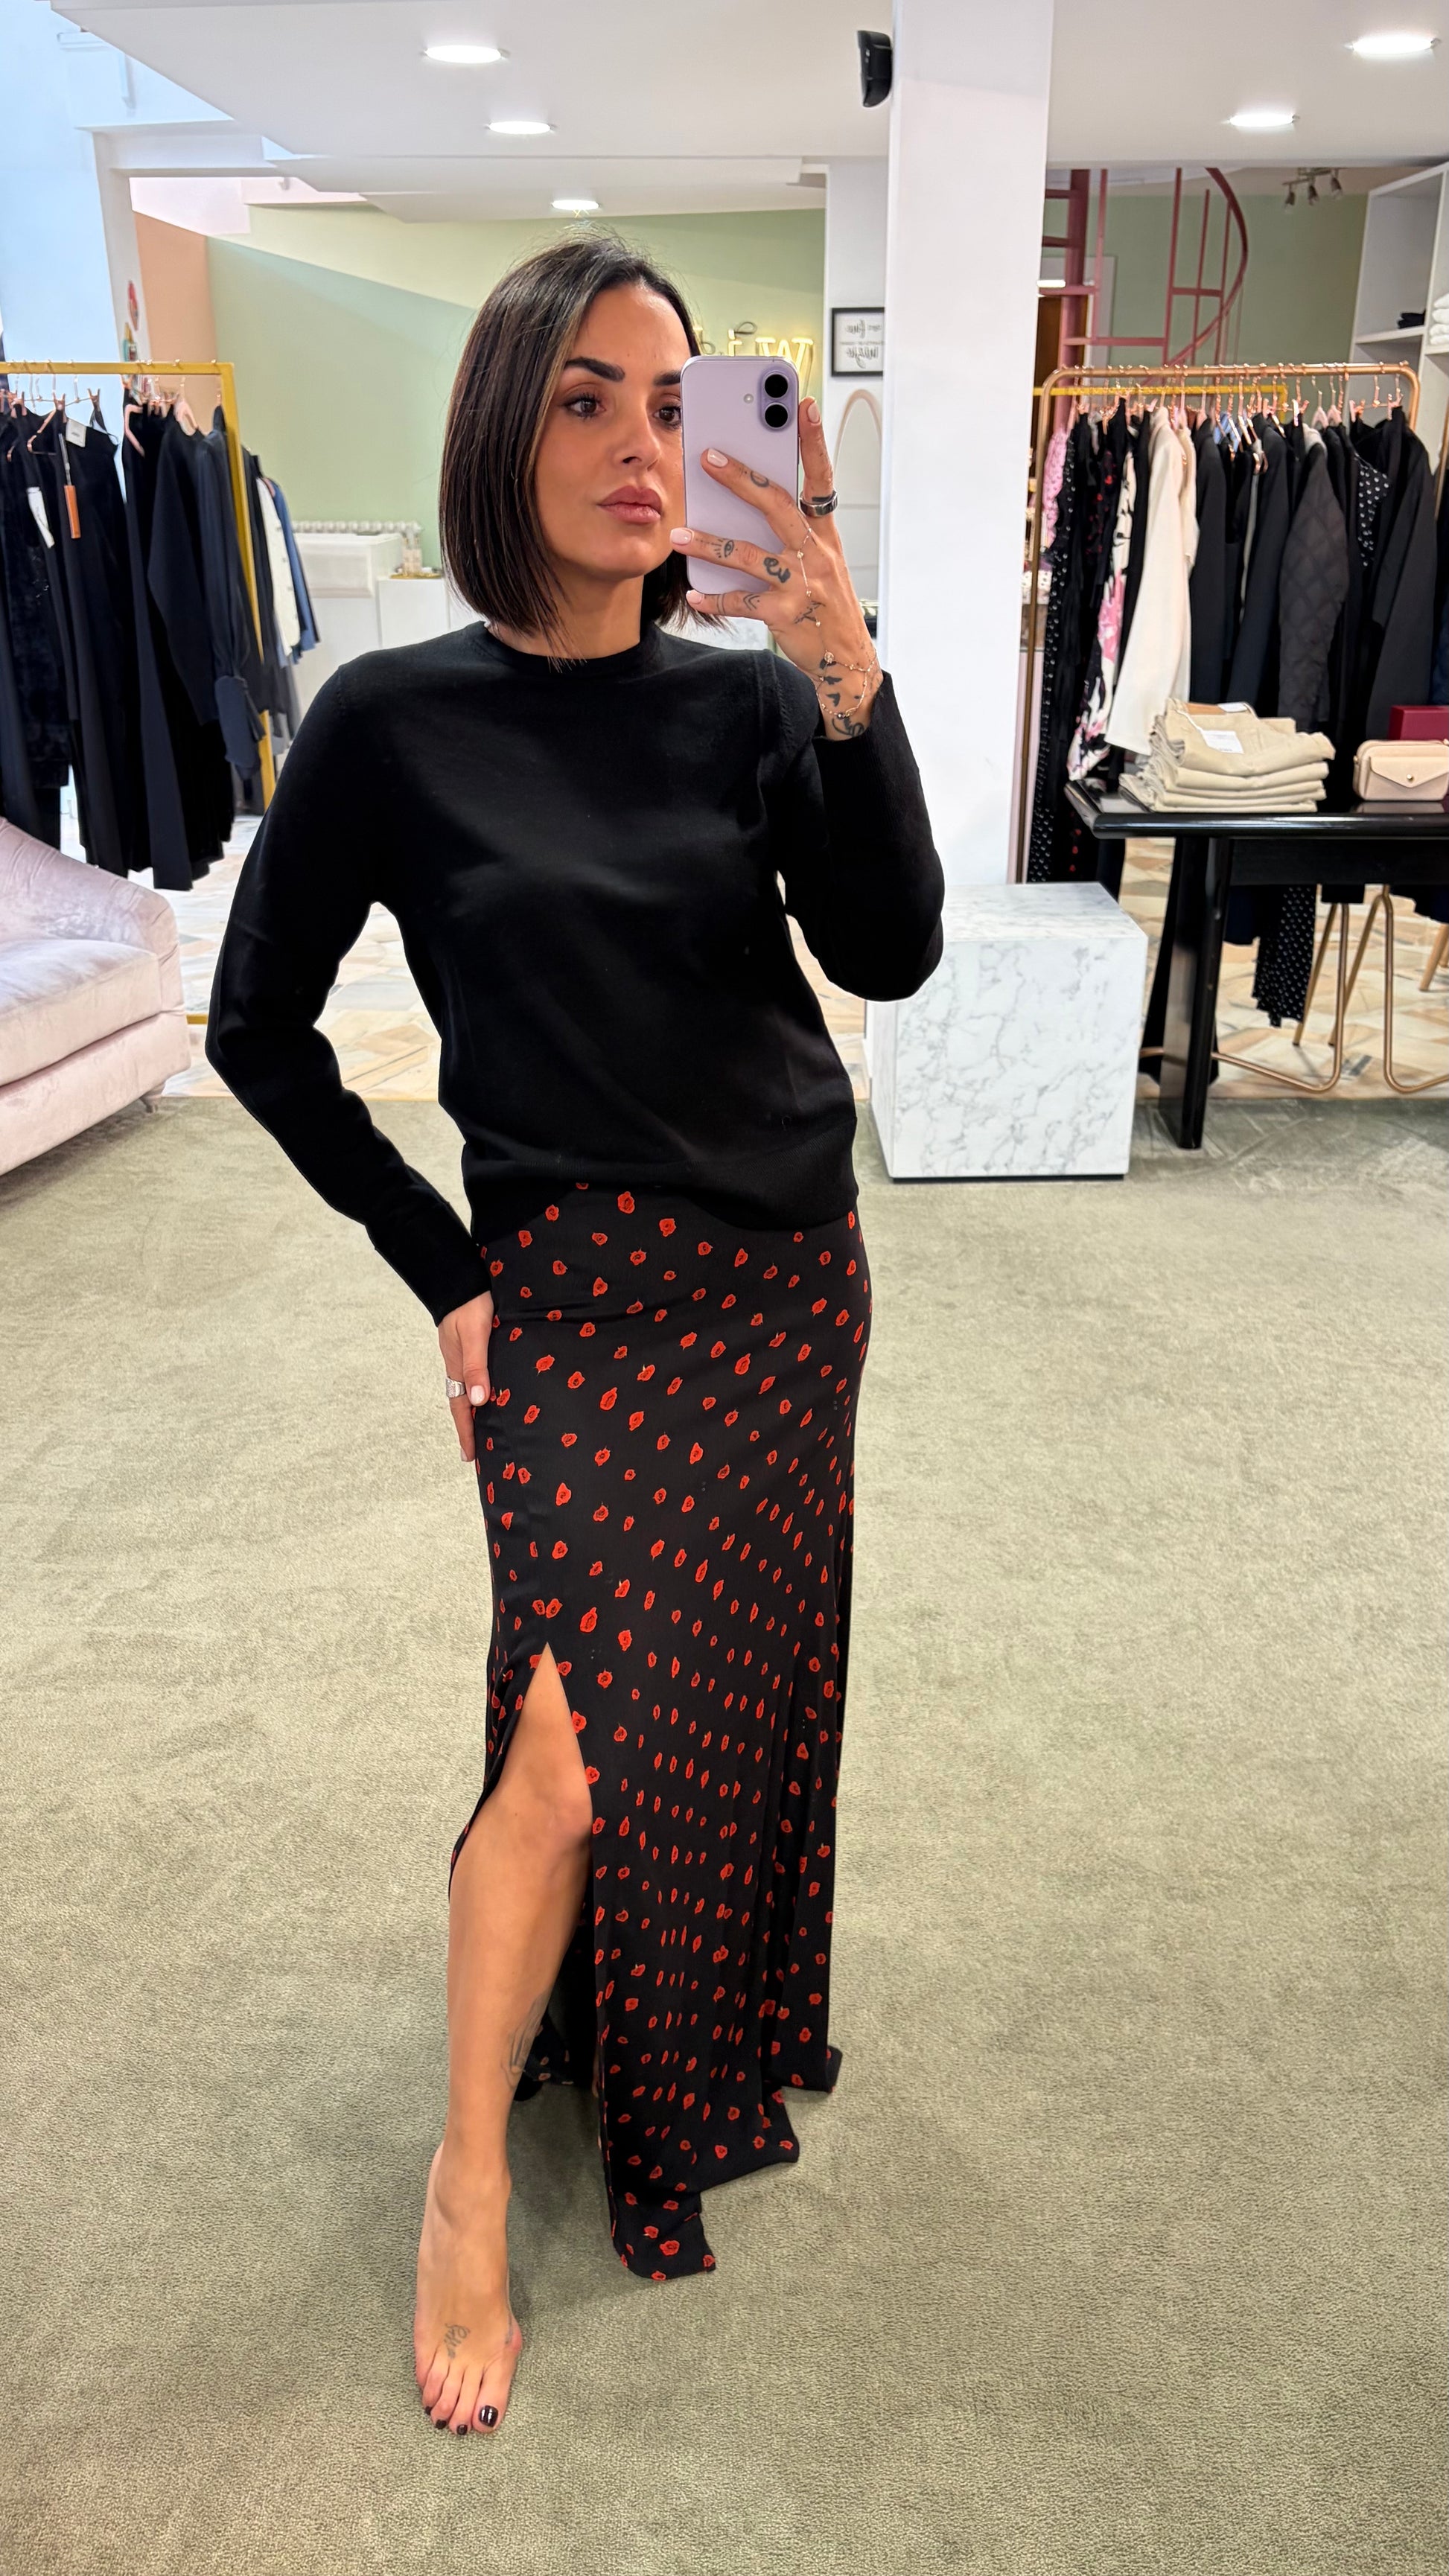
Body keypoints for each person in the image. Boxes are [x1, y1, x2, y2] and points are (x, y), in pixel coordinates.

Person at [206, 235, 944, 2438]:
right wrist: (443, 1269)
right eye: (589, 399)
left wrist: (842, 665)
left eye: (676, 404)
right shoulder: (389, 721)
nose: (643, 445)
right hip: (573, 1306)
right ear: (500, 427)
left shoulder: (747, 700)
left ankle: (685, 2018)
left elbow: (890, 954)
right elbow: (257, 1031)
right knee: (561, 1743)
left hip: (783, 1287)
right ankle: (463, 2182)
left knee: (724, 1693)